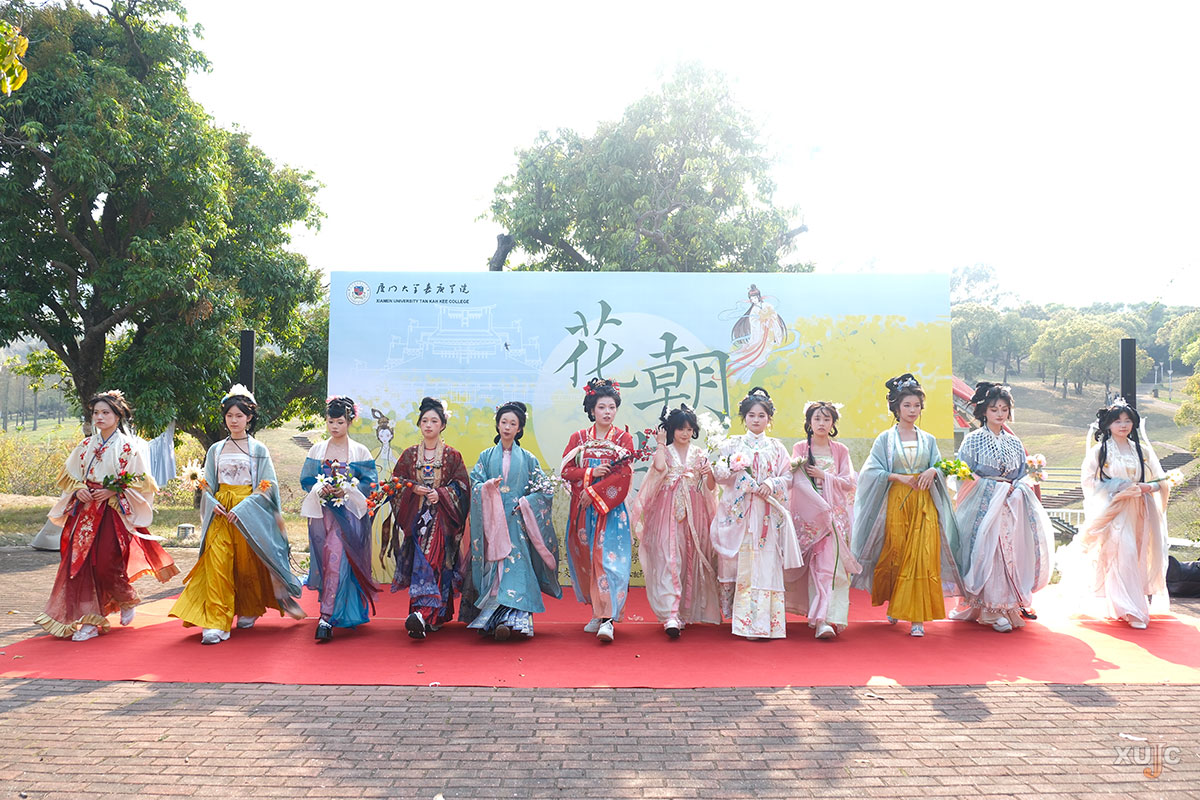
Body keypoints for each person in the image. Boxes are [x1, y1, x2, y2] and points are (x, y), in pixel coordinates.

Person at [36, 391, 178, 641]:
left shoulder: (128, 447)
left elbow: (142, 481)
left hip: (111, 512)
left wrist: (113, 490)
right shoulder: (85, 446)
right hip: (85, 512)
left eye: (105, 412)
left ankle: (125, 597)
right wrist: (79, 489)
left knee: (105, 563)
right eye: (96, 413)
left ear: (117, 416)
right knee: (79, 565)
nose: (99, 417)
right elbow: (69, 475)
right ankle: (90, 621)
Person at [169, 385, 305, 644]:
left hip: (246, 515)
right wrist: (212, 502)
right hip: (221, 514)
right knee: (217, 564)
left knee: (246, 564)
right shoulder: (216, 449)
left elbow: (267, 485)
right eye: (229, 415)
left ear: (249, 418)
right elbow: (207, 484)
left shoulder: (258, 450)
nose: (233, 421)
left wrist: (243, 508)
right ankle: (216, 622)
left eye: (239, 416)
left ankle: (248, 608)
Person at [851, 374, 964, 637]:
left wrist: (933, 471)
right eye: (907, 405)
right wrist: (897, 477)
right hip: (896, 502)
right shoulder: (885, 439)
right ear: (896, 408)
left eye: (916, 406)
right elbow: (870, 471)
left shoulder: (928, 439)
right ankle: (896, 602)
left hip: (924, 503)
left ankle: (917, 618)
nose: (912, 410)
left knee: (922, 556)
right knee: (897, 553)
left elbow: (939, 465)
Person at [950, 383, 1054, 633]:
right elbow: (964, 474)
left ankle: (1007, 605)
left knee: (1010, 552)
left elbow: (1022, 475)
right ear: (984, 411)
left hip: (1011, 505)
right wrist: (993, 488)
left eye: (1004, 409)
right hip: (984, 507)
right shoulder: (973, 440)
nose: (999, 414)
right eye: (994, 409)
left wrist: (1018, 487)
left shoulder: (1015, 443)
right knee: (989, 552)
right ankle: (990, 610)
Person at [1059, 400, 1170, 629]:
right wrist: (1117, 488)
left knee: (1136, 554)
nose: (1123, 425)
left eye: (1127, 421)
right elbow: (1088, 482)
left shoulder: (1142, 451)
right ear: (1108, 424)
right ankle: (1131, 609)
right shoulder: (1100, 452)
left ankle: (1128, 604)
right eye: (1118, 421)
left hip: (1139, 509)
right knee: (1123, 552)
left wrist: (1147, 487)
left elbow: (1161, 480)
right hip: (1113, 510)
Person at [463, 402, 561, 640]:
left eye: (513, 423)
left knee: (517, 566)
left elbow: (545, 490)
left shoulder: (528, 459)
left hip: (517, 522)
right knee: (496, 570)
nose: (507, 427)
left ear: (520, 429)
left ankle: (512, 620)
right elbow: (475, 484)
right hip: (493, 524)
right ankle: (492, 620)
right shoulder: (486, 456)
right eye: (504, 422)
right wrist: (487, 488)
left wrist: (526, 503)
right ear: (497, 425)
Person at [711, 387, 802, 640]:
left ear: (769, 419)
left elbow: (788, 476)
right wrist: (732, 471)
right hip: (742, 513)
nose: (756, 420)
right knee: (744, 563)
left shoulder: (776, 447)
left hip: (766, 513)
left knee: (766, 562)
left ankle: (765, 623)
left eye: (762, 415)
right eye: (751, 415)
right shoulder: (733, 444)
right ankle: (744, 622)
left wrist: (770, 484)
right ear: (744, 418)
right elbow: (720, 476)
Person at [631, 404, 722, 638]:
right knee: (669, 559)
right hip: (667, 513)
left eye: (689, 429)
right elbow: (659, 467)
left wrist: (708, 473)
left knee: (689, 558)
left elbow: (711, 487)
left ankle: (685, 611)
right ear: (672, 429)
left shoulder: (699, 453)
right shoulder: (666, 451)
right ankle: (670, 615)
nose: (685, 433)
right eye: (681, 428)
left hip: (694, 514)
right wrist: (661, 443)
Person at [383, 396, 470, 640]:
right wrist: (413, 489)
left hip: (441, 520)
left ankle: (423, 614)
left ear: (443, 425)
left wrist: (441, 494)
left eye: (434, 421)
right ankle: (426, 616)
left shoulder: (452, 456)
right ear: (419, 424)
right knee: (422, 564)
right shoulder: (410, 455)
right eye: (424, 421)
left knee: (433, 563)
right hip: (418, 519)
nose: (429, 425)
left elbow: (463, 486)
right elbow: (396, 483)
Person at [560, 378, 635, 642]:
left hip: (611, 510)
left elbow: (624, 475)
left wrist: (594, 491)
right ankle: (598, 610)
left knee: (609, 562)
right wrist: (591, 473)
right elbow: (566, 470)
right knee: (588, 560)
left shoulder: (624, 439)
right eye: (602, 407)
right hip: (584, 510)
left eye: (612, 407)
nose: (607, 412)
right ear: (592, 409)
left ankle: (607, 619)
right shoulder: (578, 438)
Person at [300, 396, 379, 642]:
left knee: (336, 559)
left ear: (350, 421)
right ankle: (338, 610)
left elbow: (370, 483)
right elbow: (307, 480)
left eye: (340, 422)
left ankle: (326, 617)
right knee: (327, 560)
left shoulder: (360, 451)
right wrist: (320, 487)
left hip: (349, 517)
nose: (334, 427)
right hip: (323, 515)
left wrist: (347, 489)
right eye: (331, 421)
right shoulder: (317, 450)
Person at [789, 401, 861, 639]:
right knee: (817, 567)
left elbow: (848, 483)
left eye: (826, 419)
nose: (821, 423)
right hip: (811, 517)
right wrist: (817, 504)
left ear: (833, 423)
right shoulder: (800, 448)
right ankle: (820, 617)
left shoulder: (840, 450)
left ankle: (828, 618)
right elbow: (795, 481)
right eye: (817, 419)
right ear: (809, 422)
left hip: (834, 517)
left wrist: (824, 476)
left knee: (832, 566)